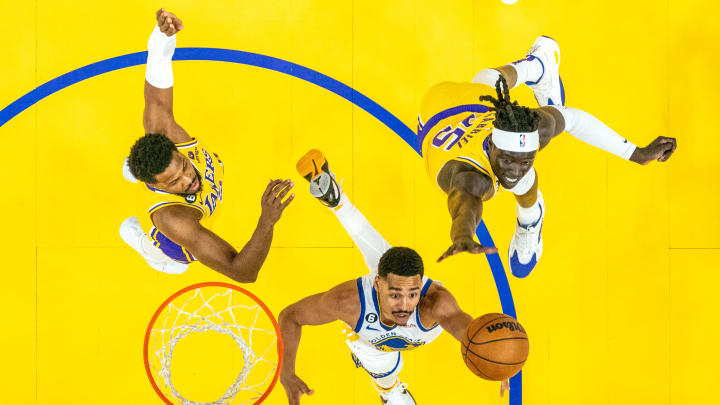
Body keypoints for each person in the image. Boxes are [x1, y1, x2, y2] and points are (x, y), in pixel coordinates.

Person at [417, 36, 676, 277]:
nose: (514, 170)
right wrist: (462, 236)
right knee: (487, 84)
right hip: (436, 106)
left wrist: (636, 153)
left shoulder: (535, 126)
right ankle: (535, 66)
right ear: (493, 146)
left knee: (490, 81)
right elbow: (464, 209)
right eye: (506, 160)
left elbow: (574, 118)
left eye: (526, 161)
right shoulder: (469, 180)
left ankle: (539, 64)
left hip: (468, 108)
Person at [279, 150, 510, 405]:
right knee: (377, 358)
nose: (404, 305)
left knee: (382, 256)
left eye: (412, 294)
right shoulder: (348, 302)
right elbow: (291, 316)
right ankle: (390, 392)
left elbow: (473, 334)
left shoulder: (434, 304)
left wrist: (497, 357)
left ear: (420, 286)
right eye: (395, 295)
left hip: (422, 331)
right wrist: (286, 372)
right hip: (372, 339)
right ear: (377, 285)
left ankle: (337, 202)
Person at [119, 8, 294, 282]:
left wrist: (163, 35)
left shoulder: (164, 129)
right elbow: (243, 272)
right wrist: (267, 221)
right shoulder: (174, 220)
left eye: (185, 167)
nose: (189, 178)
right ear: (159, 186)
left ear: (175, 150)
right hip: (171, 246)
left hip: (160, 170)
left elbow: (158, 66)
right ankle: (141, 244)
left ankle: (132, 167)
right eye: (175, 182)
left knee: (151, 144)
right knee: (173, 261)